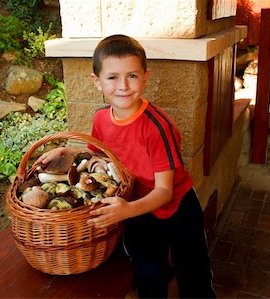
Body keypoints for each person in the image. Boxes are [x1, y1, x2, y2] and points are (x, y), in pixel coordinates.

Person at [36, 34, 216, 298]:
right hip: (137, 206)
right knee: (148, 273)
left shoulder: (158, 127)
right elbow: (99, 152)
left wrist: (128, 210)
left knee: (194, 273)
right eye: (112, 77)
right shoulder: (100, 118)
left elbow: (165, 191)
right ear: (96, 82)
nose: (123, 86)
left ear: (145, 76)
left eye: (132, 76)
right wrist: (69, 150)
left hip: (177, 208)